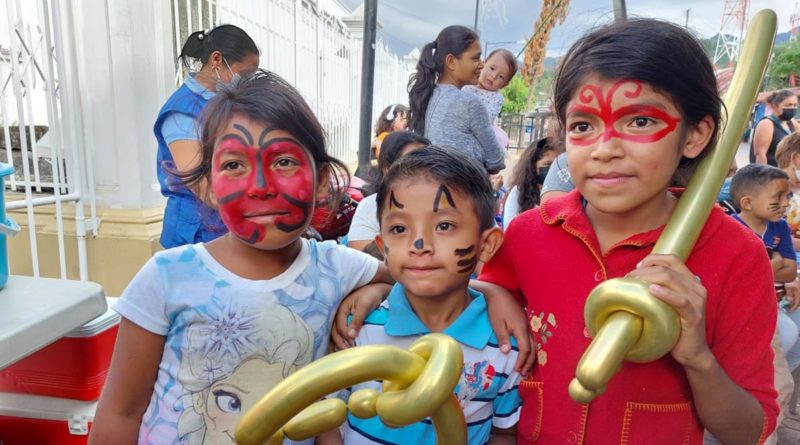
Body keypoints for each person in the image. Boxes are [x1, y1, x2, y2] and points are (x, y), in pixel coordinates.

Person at [478, 19, 779, 444]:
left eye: (639, 121)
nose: (605, 149)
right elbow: (458, 308)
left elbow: (748, 430)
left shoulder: (736, 254)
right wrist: (487, 292)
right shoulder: (527, 236)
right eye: (583, 126)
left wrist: (697, 357)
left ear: (695, 135)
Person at [89, 69, 394, 445]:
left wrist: (372, 291)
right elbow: (121, 410)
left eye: (284, 162)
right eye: (234, 165)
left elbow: (404, 277)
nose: (261, 187)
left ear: (319, 181)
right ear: (210, 187)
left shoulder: (335, 268)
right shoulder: (167, 276)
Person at [337, 146, 520, 445]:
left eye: (444, 225)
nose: (419, 244)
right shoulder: (357, 328)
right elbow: (328, 418)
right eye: (399, 228)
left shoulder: (505, 345)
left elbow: (504, 431)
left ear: (486, 244)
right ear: (383, 247)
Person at [155, 25, 260, 249]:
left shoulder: (224, 103)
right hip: (194, 230)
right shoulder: (182, 111)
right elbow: (198, 183)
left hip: (223, 221)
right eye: (245, 73)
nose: (248, 81)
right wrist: (252, 213)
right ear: (216, 60)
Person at [408, 25, 505, 174]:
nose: (482, 64)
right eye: (475, 58)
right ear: (451, 62)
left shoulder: (427, 95)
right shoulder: (469, 103)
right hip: (465, 192)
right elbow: (496, 160)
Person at [348, 131, 430, 259]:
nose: (422, 171)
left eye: (427, 162)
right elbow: (362, 261)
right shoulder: (371, 207)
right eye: (412, 164)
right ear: (387, 169)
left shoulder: (446, 204)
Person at [503, 137, 559, 226]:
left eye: (556, 164)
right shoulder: (518, 192)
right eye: (547, 164)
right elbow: (510, 227)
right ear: (533, 166)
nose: (553, 168)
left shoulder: (563, 192)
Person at [463, 48, 518, 123]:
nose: (494, 76)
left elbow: (488, 118)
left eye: (501, 76)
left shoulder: (496, 97)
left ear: (505, 84)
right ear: (483, 64)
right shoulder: (465, 84)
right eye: (492, 68)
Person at [751, 89, 799, 166]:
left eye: (794, 105)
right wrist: (764, 176)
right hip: (771, 173)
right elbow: (760, 155)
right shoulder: (766, 124)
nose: (792, 108)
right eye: (788, 105)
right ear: (775, 106)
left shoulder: (791, 123)